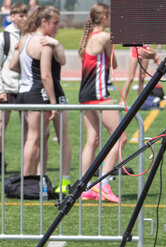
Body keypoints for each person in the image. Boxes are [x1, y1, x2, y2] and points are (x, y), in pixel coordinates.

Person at [12, 5, 71, 195]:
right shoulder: (44, 43)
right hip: (41, 92)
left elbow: (13, 66)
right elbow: (46, 76)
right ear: (43, 21)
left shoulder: (25, 39)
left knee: (37, 138)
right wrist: (53, 102)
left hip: (24, 91)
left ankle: (37, 178)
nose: (57, 27)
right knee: (42, 138)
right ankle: (31, 181)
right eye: (55, 23)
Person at [77, 3, 120, 203]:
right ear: (104, 19)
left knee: (92, 139)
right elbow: (114, 63)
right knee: (120, 138)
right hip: (98, 94)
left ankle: (84, 186)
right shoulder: (103, 37)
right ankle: (103, 183)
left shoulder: (87, 38)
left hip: (85, 94)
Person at [0, 1, 28, 175]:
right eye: (20, 15)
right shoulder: (3, 37)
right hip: (7, 88)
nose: (24, 18)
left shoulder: (30, 35)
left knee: (28, 127)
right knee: (1, 125)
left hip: (25, 89)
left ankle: (27, 162)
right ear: (12, 16)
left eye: (26, 15)